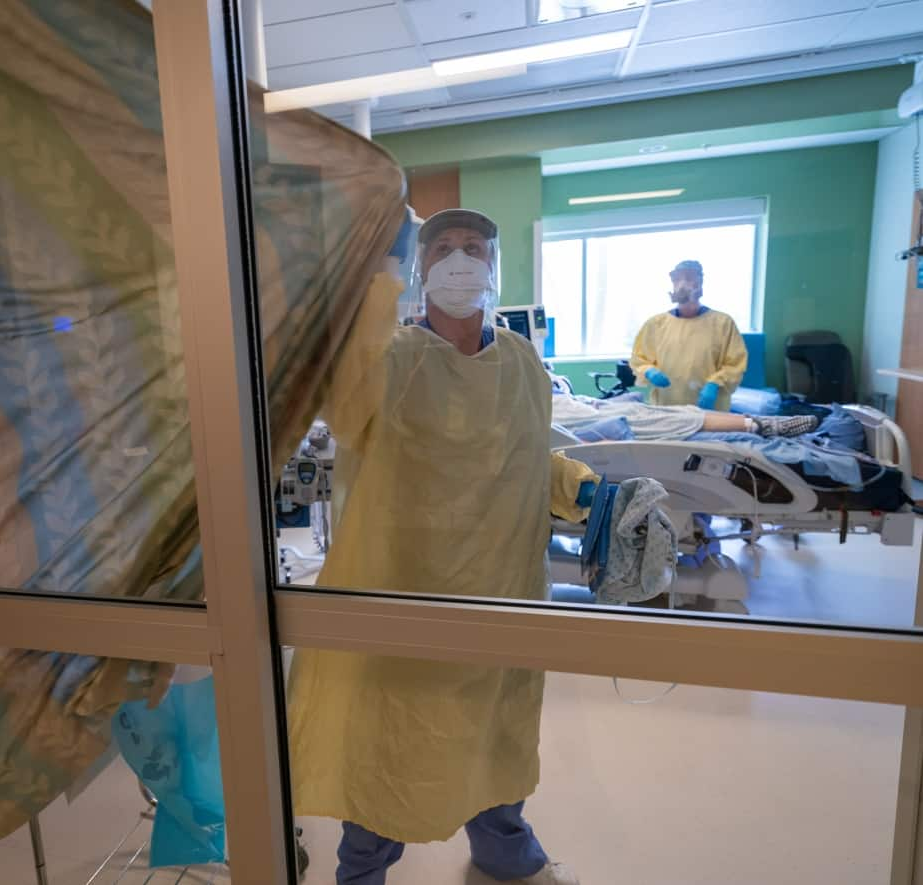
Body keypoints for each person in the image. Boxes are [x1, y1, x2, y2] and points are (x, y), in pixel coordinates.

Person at [287, 208, 601, 885]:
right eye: (443, 248)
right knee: (392, 741)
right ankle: (362, 871)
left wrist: (585, 488)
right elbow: (343, 411)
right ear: (421, 269)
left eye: (473, 247)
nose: (460, 260)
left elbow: (527, 456)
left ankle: (503, 851)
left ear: (494, 267)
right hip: (405, 586)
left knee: (498, 733)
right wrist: (377, 275)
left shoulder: (521, 361)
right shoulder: (387, 359)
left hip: (502, 589)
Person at [630, 259, 748, 411]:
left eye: (689, 278)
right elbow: (639, 359)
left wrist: (715, 383)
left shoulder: (723, 323)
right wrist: (649, 371)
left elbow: (735, 364)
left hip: (711, 409)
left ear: (700, 283)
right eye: (677, 279)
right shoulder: (656, 324)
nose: (682, 284)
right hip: (667, 408)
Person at [550, 391, 820, 440]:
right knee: (671, 419)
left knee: (682, 412)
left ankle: (761, 423)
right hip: (589, 419)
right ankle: (761, 426)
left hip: (591, 410)